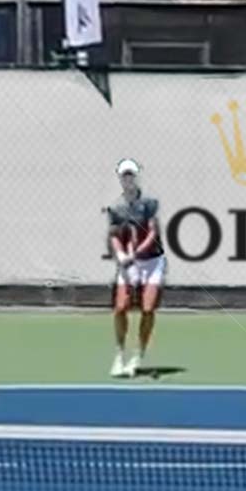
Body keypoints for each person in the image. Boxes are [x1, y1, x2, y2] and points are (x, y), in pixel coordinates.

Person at [106, 157, 165, 378]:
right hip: (128, 262)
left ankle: (138, 356)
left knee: (147, 309)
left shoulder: (149, 203)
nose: (128, 179)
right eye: (124, 175)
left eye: (131, 175)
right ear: (120, 179)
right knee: (121, 308)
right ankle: (119, 355)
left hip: (152, 262)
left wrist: (136, 253)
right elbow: (114, 236)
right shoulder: (116, 207)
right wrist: (121, 254)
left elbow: (152, 233)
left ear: (136, 177)